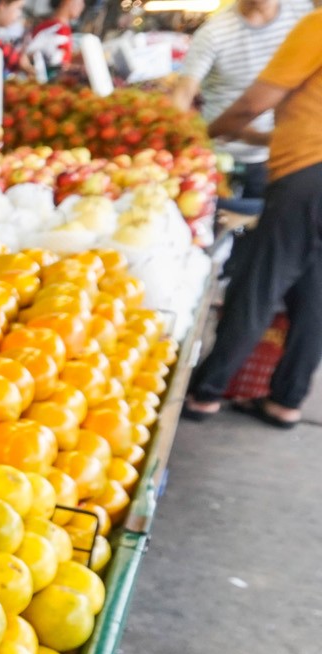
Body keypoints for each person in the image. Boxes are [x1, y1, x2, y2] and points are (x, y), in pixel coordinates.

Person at [184, 7, 322, 428]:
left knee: (259, 282)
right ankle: (287, 400)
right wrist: (254, 136)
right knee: (315, 291)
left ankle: (206, 391)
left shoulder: (317, 25)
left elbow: (254, 101)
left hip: (307, 176)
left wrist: (202, 134)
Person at [171, 0, 310, 201]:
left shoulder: (303, 13)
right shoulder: (214, 33)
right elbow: (183, 95)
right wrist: (178, 146)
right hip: (227, 160)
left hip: (286, 157)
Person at [24, 0, 83, 76]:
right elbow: (54, 63)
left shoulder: (59, 27)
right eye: (79, 3)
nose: (82, 6)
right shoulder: (56, 28)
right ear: (67, 2)